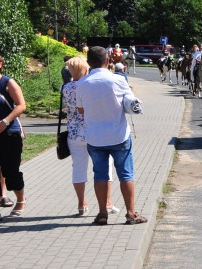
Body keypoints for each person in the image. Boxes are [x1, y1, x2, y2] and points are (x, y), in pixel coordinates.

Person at [75, 47, 147, 226]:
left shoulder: (82, 84)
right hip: (119, 135)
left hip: (94, 137)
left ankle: (101, 214)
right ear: (108, 61)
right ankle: (131, 214)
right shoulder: (119, 79)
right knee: (126, 174)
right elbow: (130, 103)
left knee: (100, 174)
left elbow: (80, 109)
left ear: (88, 62)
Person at [61, 56, 119, 217]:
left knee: (78, 168)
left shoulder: (65, 88)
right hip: (94, 132)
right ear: (86, 69)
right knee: (105, 166)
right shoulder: (87, 85)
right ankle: (107, 202)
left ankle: (81, 204)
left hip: (74, 134)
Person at [0, 50, 26, 221]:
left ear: (0, 64)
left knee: (10, 170)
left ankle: (21, 200)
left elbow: (21, 105)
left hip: (9, 134)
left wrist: (5, 122)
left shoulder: (8, 83)